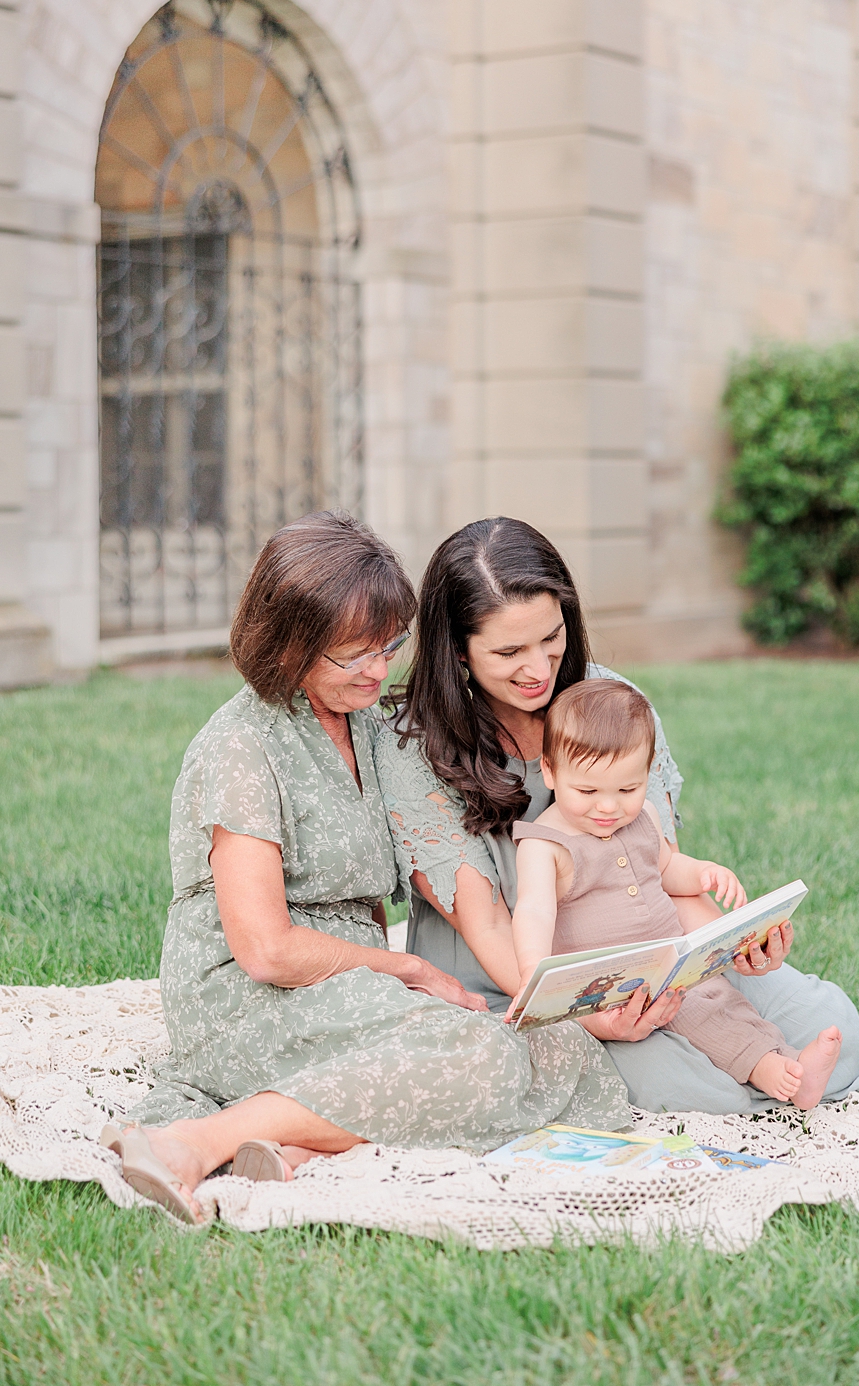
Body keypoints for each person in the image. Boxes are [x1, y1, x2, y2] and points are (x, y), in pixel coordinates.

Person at [110, 513, 631, 1224]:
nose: (379, 671)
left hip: (347, 981)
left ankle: (293, 1144)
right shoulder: (239, 747)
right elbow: (265, 950)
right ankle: (194, 1144)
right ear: (290, 644)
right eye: (352, 656)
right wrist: (409, 971)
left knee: (534, 1046)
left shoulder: (368, 725)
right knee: (481, 1057)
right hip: (246, 993)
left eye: (389, 647)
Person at [374, 518, 859, 1115]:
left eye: (551, 637)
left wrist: (731, 948)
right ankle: (769, 1077)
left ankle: (775, 1069)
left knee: (837, 1030)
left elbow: (658, 870)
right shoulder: (419, 748)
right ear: (457, 651)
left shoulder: (611, 704)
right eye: (509, 651)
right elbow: (490, 929)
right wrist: (595, 1017)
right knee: (690, 1088)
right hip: (523, 986)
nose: (539, 668)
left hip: (656, 949)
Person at [510, 680, 845, 1110]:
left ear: (647, 775)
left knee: (721, 1001)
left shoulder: (644, 816)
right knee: (702, 1018)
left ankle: (785, 1063)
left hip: (672, 964)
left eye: (627, 790)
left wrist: (704, 873)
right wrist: (531, 974)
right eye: (588, 791)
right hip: (615, 986)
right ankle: (778, 1071)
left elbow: (667, 869)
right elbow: (535, 910)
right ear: (551, 771)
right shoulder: (545, 844)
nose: (608, 807)